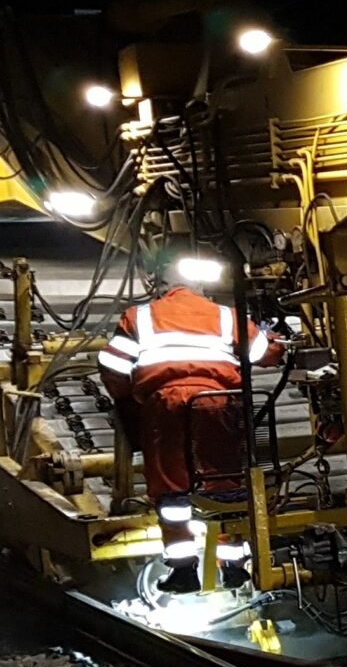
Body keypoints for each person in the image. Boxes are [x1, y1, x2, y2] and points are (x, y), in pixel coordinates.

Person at [99, 252, 281, 592]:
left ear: (159, 286)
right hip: (216, 405)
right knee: (224, 485)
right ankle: (235, 567)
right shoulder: (226, 316)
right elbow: (265, 353)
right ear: (201, 287)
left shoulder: (139, 316)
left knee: (171, 490)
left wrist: (128, 399)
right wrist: (278, 343)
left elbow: (112, 366)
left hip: (163, 407)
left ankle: (183, 571)